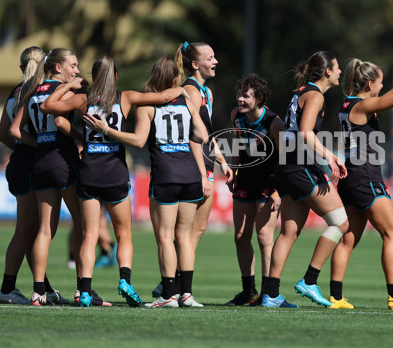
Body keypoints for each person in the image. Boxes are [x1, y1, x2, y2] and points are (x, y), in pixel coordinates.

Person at [41, 55, 187, 307]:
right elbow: (164, 97)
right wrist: (184, 86)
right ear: (116, 77)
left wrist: (69, 86)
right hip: (115, 174)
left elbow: (48, 108)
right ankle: (124, 280)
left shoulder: (83, 99)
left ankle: (84, 290)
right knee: (124, 234)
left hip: (88, 173)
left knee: (88, 235)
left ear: (94, 78)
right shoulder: (126, 97)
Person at [84, 57, 209, 308]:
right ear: (175, 80)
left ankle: (169, 295)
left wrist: (107, 131)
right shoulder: (187, 100)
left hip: (166, 174)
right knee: (184, 237)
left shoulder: (146, 106)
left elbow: (139, 141)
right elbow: (203, 136)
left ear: (153, 77)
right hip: (191, 174)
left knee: (165, 237)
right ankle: (187, 295)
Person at [328, 51, 393, 310]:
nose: (382, 86)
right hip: (366, 178)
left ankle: (335, 297)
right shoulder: (361, 105)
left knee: (349, 238)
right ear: (370, 85)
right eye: (380, 82)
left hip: (351, 179)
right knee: (392, 233)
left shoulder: (347, 105)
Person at [260, 51, 349, 308]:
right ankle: (310, 280)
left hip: (286, 168)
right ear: (328, 72)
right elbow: (306, 132)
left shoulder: (301, 91)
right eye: (338, 67)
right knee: (341, 224)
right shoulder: (316, 95)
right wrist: (331, 158)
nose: (341, 72)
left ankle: (271, 294)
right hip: (299, 167)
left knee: (289, 231)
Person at [149, 42, 233, 302]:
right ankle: (172, 286)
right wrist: (203, 173)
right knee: (185, 233)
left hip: (204, 165)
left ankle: (173, 285)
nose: (216, 61)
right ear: (195, 65)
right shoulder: (190, 90)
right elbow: (193, 139)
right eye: (210, 57)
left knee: (193, 231)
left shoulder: (206, 91)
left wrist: (222, 161)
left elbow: (207, 133)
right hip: (194, 168)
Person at [9, 48, 85, 306]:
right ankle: (82, 290)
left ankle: (39, 291)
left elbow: (14, 131)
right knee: (82, 225)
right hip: (62, 160)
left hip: (40, 162)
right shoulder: (67, 91)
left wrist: (40, 143)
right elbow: (62, 124)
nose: (76, 70)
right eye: (72, 65)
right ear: (57, 68)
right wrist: (82, 139)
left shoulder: (31, 92)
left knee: (43, 230)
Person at [0, 46, 67, 305]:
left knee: (33, 231)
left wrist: (23, 147)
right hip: (30, 163)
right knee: (28, 231)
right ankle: (7, 288)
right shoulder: (37, 91)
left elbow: (4, 134)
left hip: (20, 162)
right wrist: (39, 145)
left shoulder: (17, 91)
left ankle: (43, 287)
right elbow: (14, 132)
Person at [225, 74, 283, 306]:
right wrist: (233, 169)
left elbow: (285, 159)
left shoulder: (274, 123)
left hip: (269, 182)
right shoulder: (236, 116)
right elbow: (239, 144)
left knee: (264, 236)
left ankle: (269, 294)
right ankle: (249, 291)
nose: (240, 99)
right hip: (245, 180)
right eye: (239, 94)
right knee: (240, 236)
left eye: (245, 95)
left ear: (259, 98)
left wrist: (278, 190)